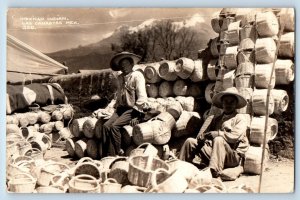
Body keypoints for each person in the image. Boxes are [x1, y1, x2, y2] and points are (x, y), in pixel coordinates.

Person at [179, 87, 249, 178]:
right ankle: (181, 166)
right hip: (216, 154)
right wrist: (203, 137)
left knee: (219, 139)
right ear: (222, 104)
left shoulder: (240, 118)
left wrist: (218, 134)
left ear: (236, 104)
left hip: (232, 156)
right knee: (190, 141)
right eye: (226, 102)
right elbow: (208, 135)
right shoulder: (217, 119)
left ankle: (214, 171)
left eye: (231, 102)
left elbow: (235, 137)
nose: (228, 104)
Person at [100, 52, 149, 157]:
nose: (124, 67)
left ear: (132, 65)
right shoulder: (120, 78)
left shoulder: (137, 76)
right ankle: (107, 155)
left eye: (126, 64)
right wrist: (111, 108)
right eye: (122, 65)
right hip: (121, 109)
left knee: (114, 127)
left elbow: (142, 97)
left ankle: (118, 152)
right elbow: (118, 96)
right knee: (105, 126)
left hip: (132, 109)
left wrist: (137, 115)